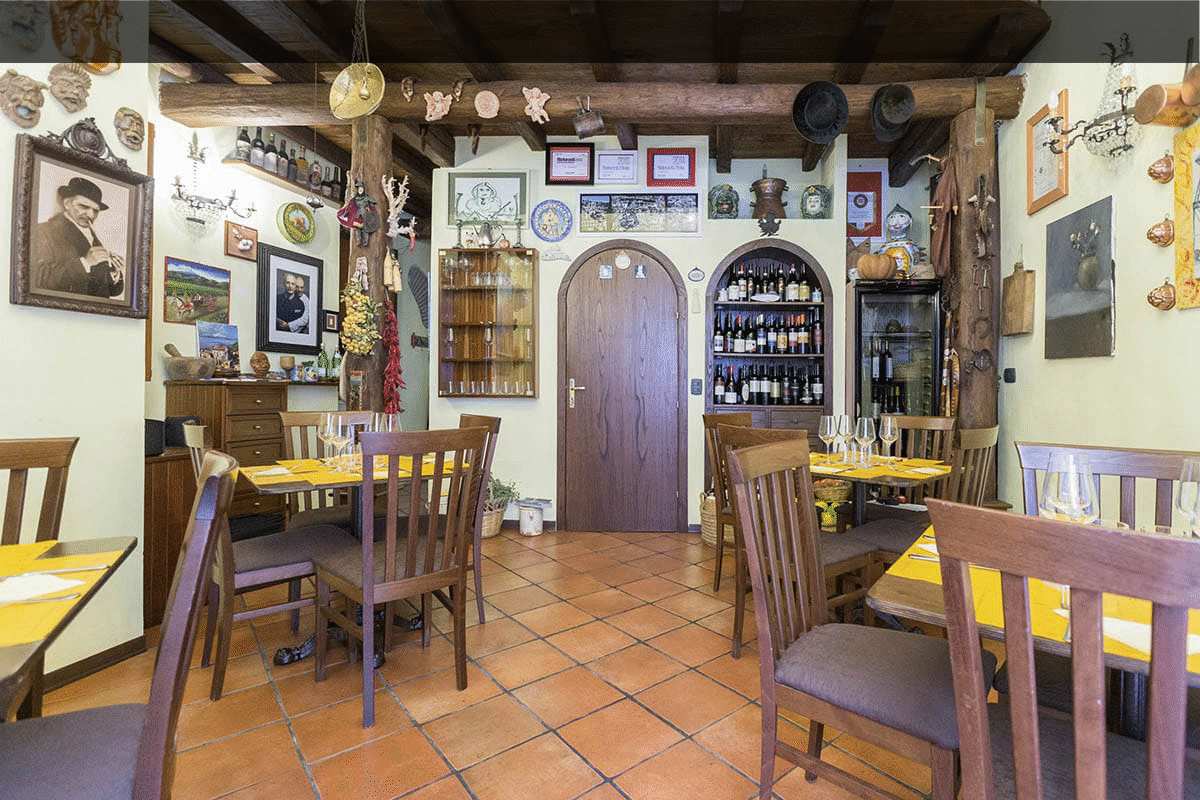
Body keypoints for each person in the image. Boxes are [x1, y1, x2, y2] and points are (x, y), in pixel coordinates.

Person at [32, 175, 124, 297]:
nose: (91, 215)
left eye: (95, 211)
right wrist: (85, 263)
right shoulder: (43, 230)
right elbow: (38, 278)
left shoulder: (95, 238)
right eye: (84, 207)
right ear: (67, 204)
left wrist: (114, 273)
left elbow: (110, 291)